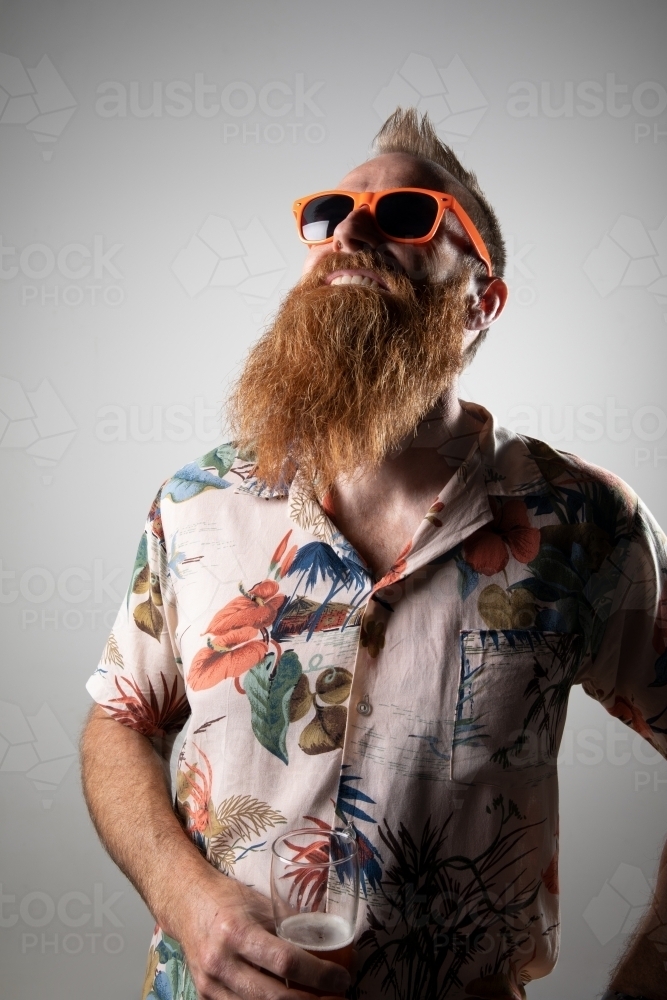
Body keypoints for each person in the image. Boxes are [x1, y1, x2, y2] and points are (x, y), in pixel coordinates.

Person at [80, 108, 667, 1000]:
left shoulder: (585, 523)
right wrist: (182, 895)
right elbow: (119, 720)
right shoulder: (196, 503)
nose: (351, 227)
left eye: (406, 214)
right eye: (331, 211)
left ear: (482, 301)